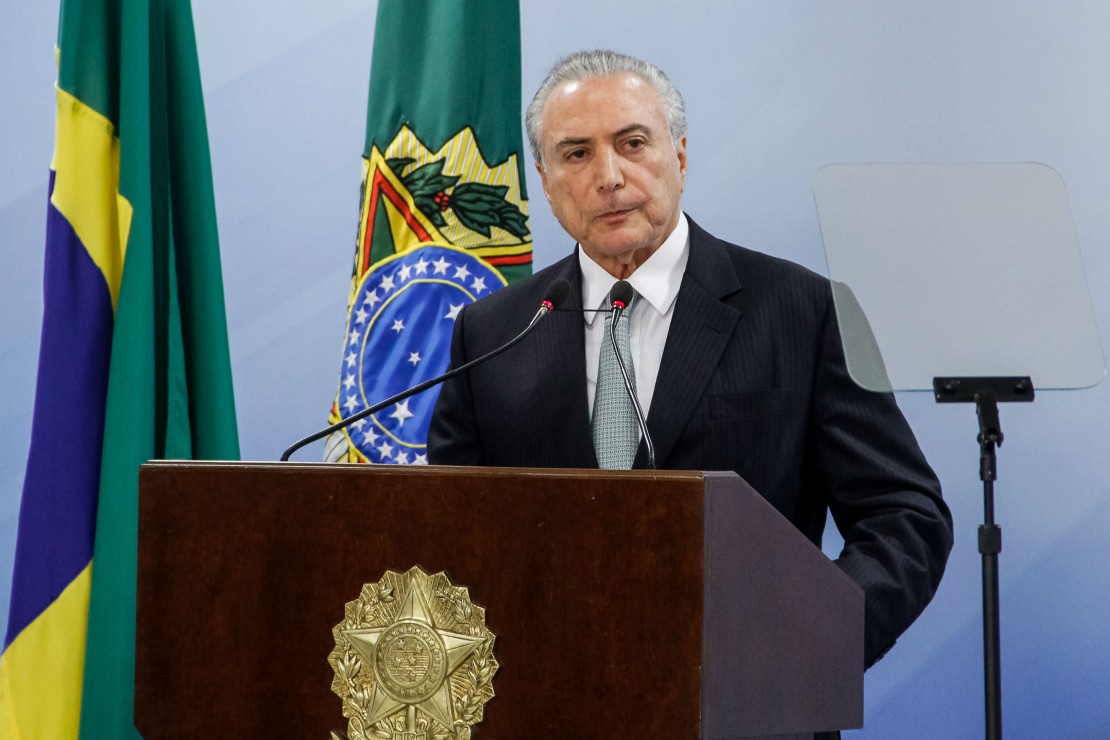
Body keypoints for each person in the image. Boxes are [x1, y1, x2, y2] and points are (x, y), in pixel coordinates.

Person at [429, 50, 952, 681]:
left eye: (632, 143)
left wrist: (809, 646)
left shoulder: (803, 310)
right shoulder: (492, 331)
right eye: (577, 154)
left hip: (749, 697)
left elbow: (903, 515)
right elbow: (448, 535)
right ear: (544, 180)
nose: (609, 176)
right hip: (544, 697)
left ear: (678, 155)